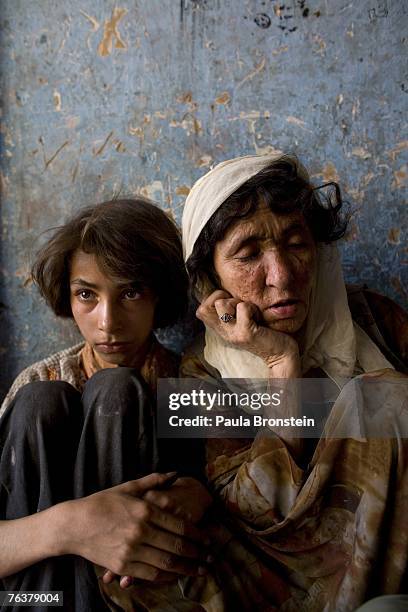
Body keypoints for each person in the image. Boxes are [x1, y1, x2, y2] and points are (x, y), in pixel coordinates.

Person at [107, 155, 407, 611]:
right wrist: (280, 360)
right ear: (211, 276)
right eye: (248, 255)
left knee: (383, 398)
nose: (282, 275)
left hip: (384, 558)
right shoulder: (197, 372)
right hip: (267, 569)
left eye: (296, 244)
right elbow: (259, 509)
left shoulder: (377, 322)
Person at [0, 198, 212, 612]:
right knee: (42, 402)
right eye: (86, 295)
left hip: (133, 597)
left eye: (130, 292)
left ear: (159, 295)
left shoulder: (187, 385)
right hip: (29, 598)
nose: (108, 321)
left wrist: (201, 496)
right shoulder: (36, 384)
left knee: (118, 391)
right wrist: (68, 526)